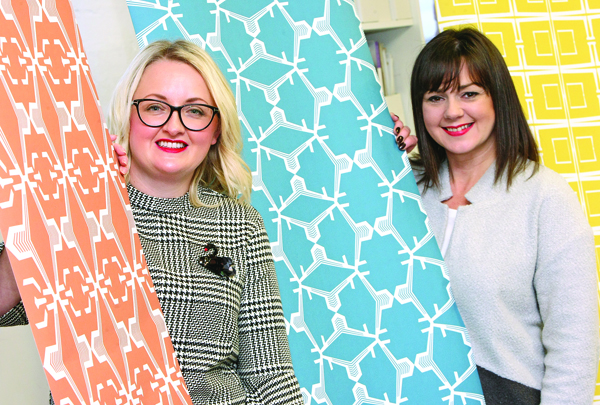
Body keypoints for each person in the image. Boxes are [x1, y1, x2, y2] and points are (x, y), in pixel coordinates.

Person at [0, 39, 304, 405]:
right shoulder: (84, 211)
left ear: (215, 129)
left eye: (194, 112)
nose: (174, 126)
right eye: (156, 107)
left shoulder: (240, 223)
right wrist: (61, 206)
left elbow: (270, 375)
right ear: (127, 115)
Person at [395, 27, 599, 404]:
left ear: (497, 99)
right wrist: (380, 158)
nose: (453, 111)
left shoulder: (545, 196)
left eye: (469, 94)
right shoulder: (404, 191)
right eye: (435, 97)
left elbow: (575, 347)